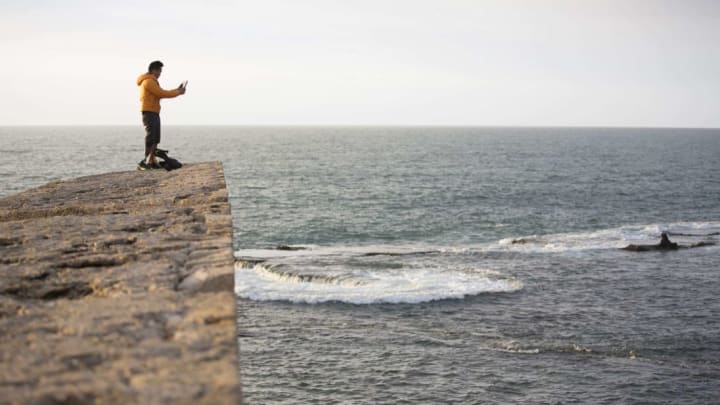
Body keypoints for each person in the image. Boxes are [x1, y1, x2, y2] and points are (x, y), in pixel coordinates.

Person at [136, 61, 186, 170]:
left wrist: (177, 90)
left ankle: (152, 161)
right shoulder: (148, 81)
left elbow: (162, 92)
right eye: (159, 71)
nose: (160, 74)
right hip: (149, 112)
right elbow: (162, 93)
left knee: (155, 138)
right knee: (151, 138)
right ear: (154, 70)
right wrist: (178, 92)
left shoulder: (151, 81)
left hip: (154, 112)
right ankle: (146, 162)